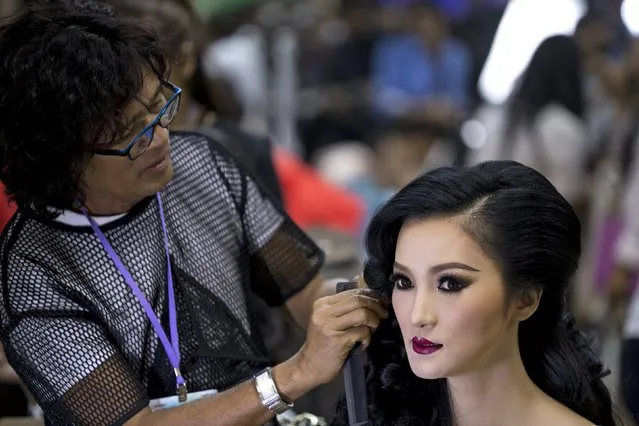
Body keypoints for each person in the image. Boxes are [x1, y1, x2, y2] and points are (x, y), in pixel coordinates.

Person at [0, 2, 388, 425]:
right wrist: (292, 376)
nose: (161, 137)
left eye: (158, 107)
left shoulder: (201, 165)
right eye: (131, 134)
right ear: (62, 159)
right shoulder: (32, 272)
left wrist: (380, 287)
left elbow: (306, 294)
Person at [333, 161, 617, 425]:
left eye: (450, 284)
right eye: (404, 282)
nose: (418, 315)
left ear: (525, 299)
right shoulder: (386, 414)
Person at [467, 36, 589, 211]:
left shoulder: (496, 115)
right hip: (534, 228)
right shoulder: (562, 126)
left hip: (486, 218)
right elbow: (566, 195)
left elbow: (475, 171)